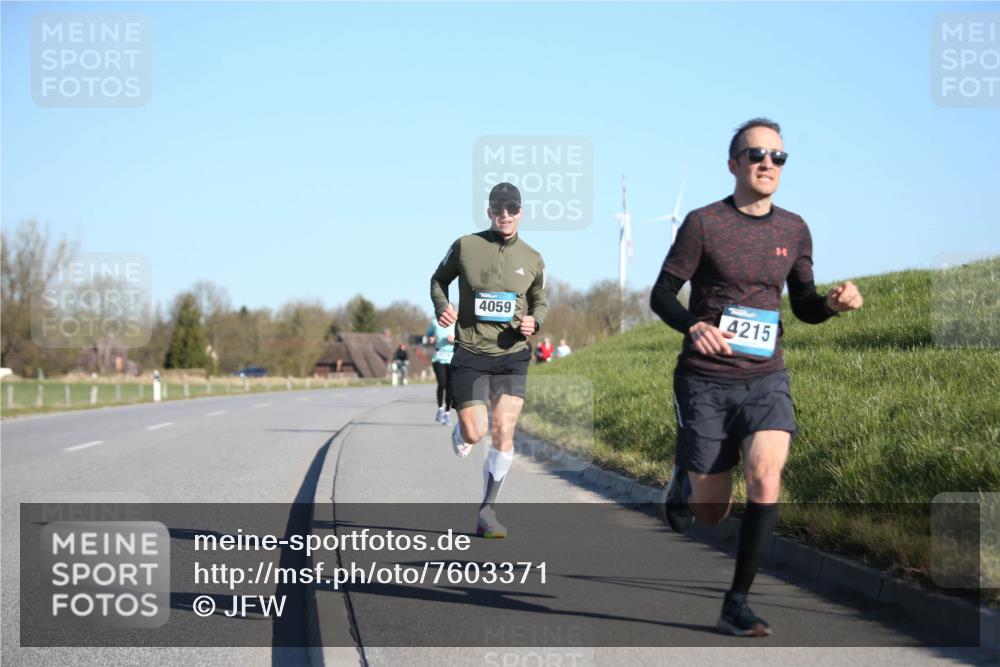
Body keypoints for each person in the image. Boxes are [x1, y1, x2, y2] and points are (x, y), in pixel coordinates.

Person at [650, 118, 863, 637]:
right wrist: (694, 324)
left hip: (766, 377)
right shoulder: (702, 223)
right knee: (711, 513)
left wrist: (831, 306)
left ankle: (737, 601)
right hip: (704, 380)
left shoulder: (794, 229)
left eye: (778, 157)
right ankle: (685, 474)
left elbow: (805, 305)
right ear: (734, 164)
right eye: (756, 154)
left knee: (767, 477)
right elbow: (660, 294)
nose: (768, 163)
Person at [430, 182, 548, 538]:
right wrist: (443, 306)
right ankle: (462, 429)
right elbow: (438, 280)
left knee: (503, 430)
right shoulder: (466, 246)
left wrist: (535, 321)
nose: (505, 215)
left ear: (521, 212)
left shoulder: (533, 258)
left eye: (512, 209)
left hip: (513, 354)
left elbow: (540, 300)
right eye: (499, 209)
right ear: (489, 212)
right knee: (475, 431)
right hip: (471, 352)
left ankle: (487, 511)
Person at [425, 319, 456, 426]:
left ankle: (447, 413)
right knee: (442, 383)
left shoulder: (457, 323)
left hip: (452, 358)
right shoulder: (434, 322)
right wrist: (431, 339)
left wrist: (454, 340)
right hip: (438, 358)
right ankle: (440, 409)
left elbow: (464, 340)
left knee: (450, 386)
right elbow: (428, 336)